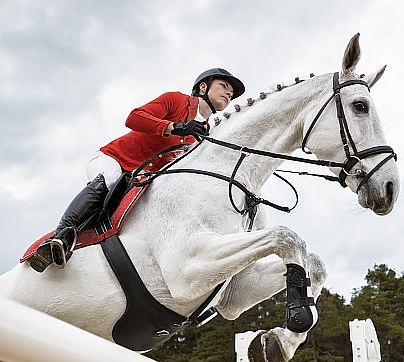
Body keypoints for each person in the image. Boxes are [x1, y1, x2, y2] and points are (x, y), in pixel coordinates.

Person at [29, 68, 245, 272]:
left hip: (140, 179)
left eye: (232, 92)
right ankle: (60, 237)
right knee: (111, 178)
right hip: (114, 159)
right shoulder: (176, 100)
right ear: (203, 88)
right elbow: (133, 118)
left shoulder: (204, 133)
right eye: (224, 85)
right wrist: (174, 127)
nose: (229, 92)